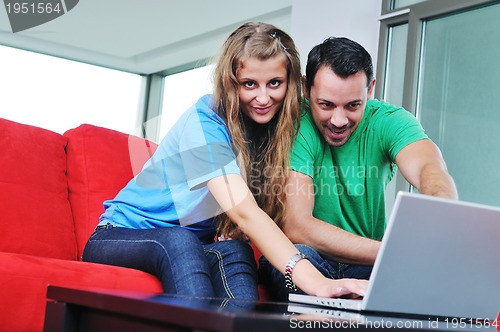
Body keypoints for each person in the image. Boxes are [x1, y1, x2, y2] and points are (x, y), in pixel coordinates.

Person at [83, 23, 368, 301]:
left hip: (198, 243)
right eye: (249, 84)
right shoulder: (204, 120)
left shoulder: (277, 127)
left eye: (275, 83)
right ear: (230, 83)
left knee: (237, 254)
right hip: (121, 235)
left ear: (291, 83)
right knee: (178, 241)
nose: (263, 97)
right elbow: (244, 211)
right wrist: (317, 281)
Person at [259, 36, 458, 300]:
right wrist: (394, 251)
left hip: (367, 263)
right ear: (307, 89)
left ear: (370, 88)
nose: (339, 120)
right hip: (311, 260)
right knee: (294, 258)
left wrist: (442, 208)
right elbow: (298, 226)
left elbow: (428, 168)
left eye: (353, 105)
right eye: (326, 105)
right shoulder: (295, 122)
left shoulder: (390, 121)